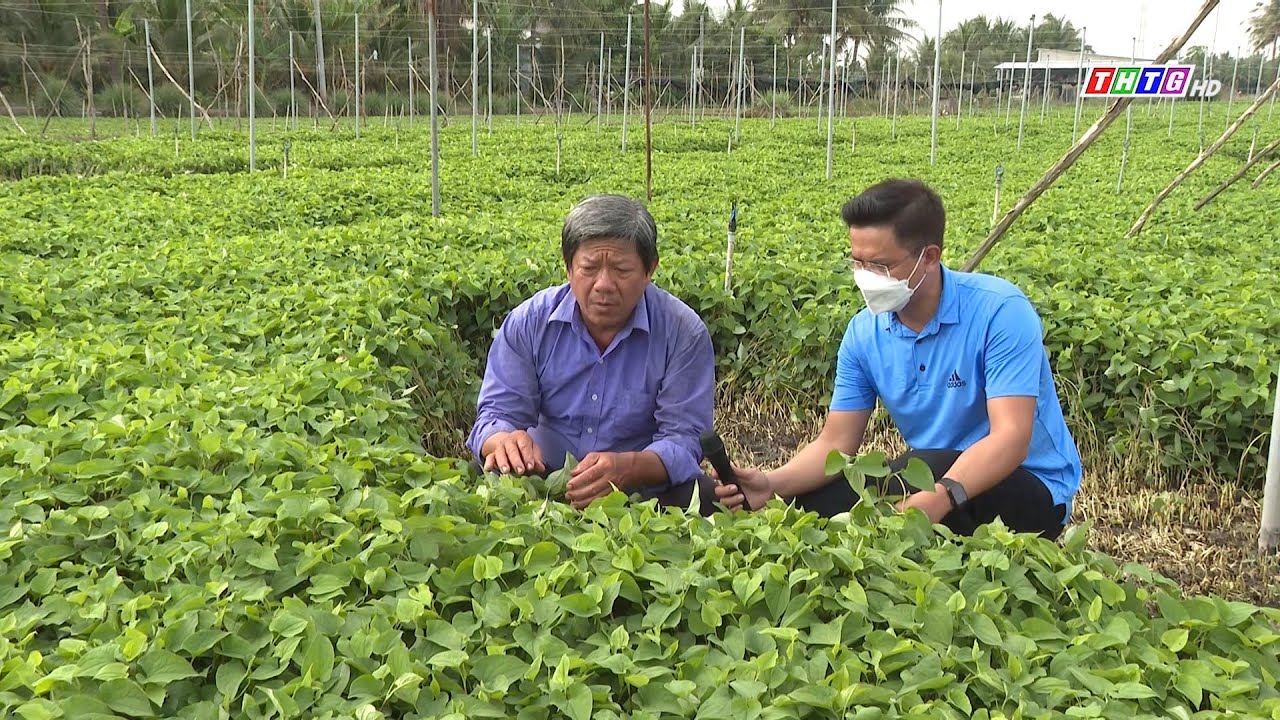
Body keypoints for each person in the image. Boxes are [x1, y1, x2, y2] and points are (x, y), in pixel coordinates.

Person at [713, 178, 1081, 539]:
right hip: (932, 477)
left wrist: (938, 499)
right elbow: (835, 443)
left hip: (1029, 485)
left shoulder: (1000, 312)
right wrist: (771, 484)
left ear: (930, 257)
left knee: (922, 468)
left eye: (880, 266)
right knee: (820, 501)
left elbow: (1011, 438)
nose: (866, 278)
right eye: (857, 263)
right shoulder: (863, 334)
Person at [467, 194, 722, 513]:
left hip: (640, 493)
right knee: (489, 476)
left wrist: (628, 469)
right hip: (542, 482)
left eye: (621, 269)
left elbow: (685, 438)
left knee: (706, 497)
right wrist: (502, 441)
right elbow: (497, 413)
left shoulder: (682, 332)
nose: (604, 284)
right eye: (589, 268)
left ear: (650, 269)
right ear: (568, 266)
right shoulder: (530, 322)